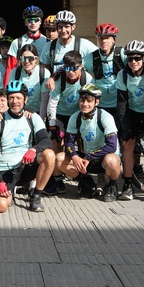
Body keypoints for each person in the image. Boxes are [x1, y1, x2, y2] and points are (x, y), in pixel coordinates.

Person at [0, 81, 55, 212]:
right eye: (11, 98)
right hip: (5, 172)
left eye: (18, 98)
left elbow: (47, 141)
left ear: (25, 99)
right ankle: (9, 192)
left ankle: (36, 196)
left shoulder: (32, 117)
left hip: (25, 167)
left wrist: (34, 149)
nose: (14, 101)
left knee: (49, 155)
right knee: (0, 206)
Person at [56, 84, 122, 201]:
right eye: (82, 100)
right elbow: (69, 142)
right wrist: (75, 157)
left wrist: (89, 157)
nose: (85, 104)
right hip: (87, 159)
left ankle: (111, 186)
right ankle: (87, 183)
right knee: (59, 158)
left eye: (89, 101)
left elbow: (112, 146)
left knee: (111, 160)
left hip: (103, 158)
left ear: (96, 102)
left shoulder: (105, 117)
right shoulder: (75, 117)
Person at [115, 40, 144, 201]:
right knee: (127, 144)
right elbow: (122, 103)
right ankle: (127, 185)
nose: (133, 62)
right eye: (130, 59)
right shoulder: (123, 75)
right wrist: (126, 127)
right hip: (133, 112)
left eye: (137, 58)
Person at [45, 50, 94, 194]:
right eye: (67, 68)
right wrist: (52, 124)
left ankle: (84, 176)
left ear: (81, 66)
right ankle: (57, 179)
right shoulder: (59, 79)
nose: (71, 72)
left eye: (74, 68)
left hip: (80, 114)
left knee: (82, 144)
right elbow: (52, 103)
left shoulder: (88, 78)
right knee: (56, 144)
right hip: (61, 115)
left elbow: (92, 101)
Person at [83, 22, 126, 119]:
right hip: (100, 104)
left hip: (119, 104)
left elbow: (138, 64)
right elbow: (76, 66)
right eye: (101, 38)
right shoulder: (92, 57)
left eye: (107, 38)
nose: (104, 41)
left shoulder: (121, 53)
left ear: (113, 40)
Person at [40, 10, 97, 75]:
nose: (63, 30)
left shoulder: (84, 44)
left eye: (66, 27)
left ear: (73, 27)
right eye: (60, 27)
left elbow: (100, 59)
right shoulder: (48, 46)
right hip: (56, 84)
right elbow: (45, 74)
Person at [4, 5, 48, 84]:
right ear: (25, 22)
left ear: (41, 22)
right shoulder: (17, 42)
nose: (33, 23)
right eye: (30, 20)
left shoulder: (47, 42)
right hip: (21, 82)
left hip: (42, 80)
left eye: (36, 20)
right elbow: (10, 68)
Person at [8, 44, 50, 115]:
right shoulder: (14, 73)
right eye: (23, 58)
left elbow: (44, 100)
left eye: (30, 58)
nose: (27, 61)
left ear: (36, 59)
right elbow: (12, 96)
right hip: (20, 112)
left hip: (38, 111)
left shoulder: (44, 72)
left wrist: (41, 121)